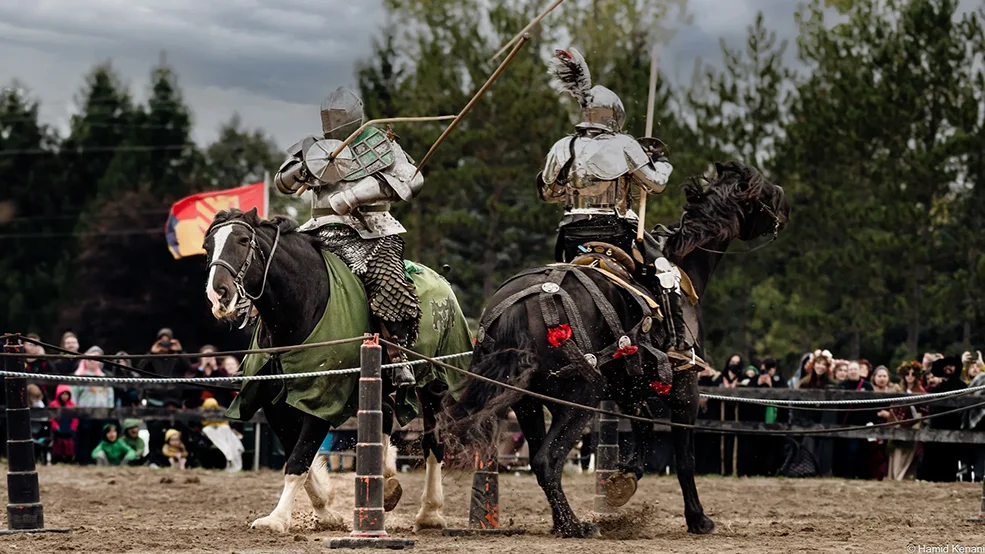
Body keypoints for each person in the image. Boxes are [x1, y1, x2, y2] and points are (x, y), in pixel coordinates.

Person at [535, 48, 684, 353]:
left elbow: (548, 194)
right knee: (666, 272)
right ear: (615, 117)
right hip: (616, 232)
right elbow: (656, 185)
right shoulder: (625, 144)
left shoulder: (565, 146)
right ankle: (677, 343)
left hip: (572, 233)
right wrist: (661, 162)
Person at [273, 87, 424, 387]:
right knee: (275, 274)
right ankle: (261, 356)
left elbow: (412, 178)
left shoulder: (381, 144)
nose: (334, 122)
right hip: (318, 230)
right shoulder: (314, 146)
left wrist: (356, 194)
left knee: (387, 279)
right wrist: (304, 169)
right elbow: (282, 183)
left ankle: (398, 355)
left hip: (372, 230)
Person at [137, 328, 191, 406]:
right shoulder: (152, 358)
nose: (165, 344)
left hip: (173, 397)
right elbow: (139, 369)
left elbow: (189, 368)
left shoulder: (177, 357)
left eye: (167, 341)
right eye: (162, 341)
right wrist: (151, 353)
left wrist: (180, 352)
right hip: (154, 396)